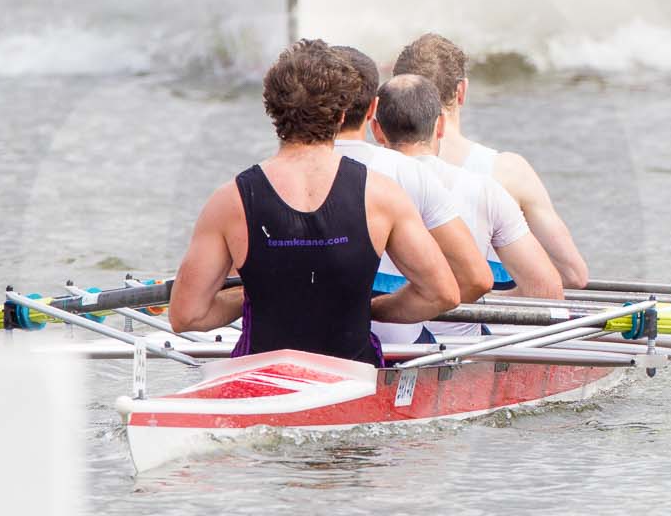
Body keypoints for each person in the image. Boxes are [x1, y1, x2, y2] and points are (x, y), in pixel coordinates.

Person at [168, 42, 459, 363]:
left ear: (272, 108)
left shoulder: (230, 199)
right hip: (354, 376)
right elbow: (442, 294)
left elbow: (187, 316)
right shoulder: (382, 196)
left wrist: (250, 296)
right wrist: (372, 308)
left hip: (258, 373)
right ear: (344, 110)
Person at [367, 74, 564, 346]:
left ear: (376, 129)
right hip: (458, 354)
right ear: (440, 126)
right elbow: (545, 293)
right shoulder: (485, 190)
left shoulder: (356, 185)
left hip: (376, 352)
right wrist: (492, 302)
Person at [390, 33, 590, 290]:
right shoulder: (509, 171)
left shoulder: (366, 172)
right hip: (490, 326)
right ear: (461, 91)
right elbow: (573, 275)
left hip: (386, 324)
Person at [333, 47, 494, 305]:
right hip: (397, 338)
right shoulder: (407, 171)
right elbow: (476, 280)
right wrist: (375, 311)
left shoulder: (256, 182)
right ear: (373, 109)